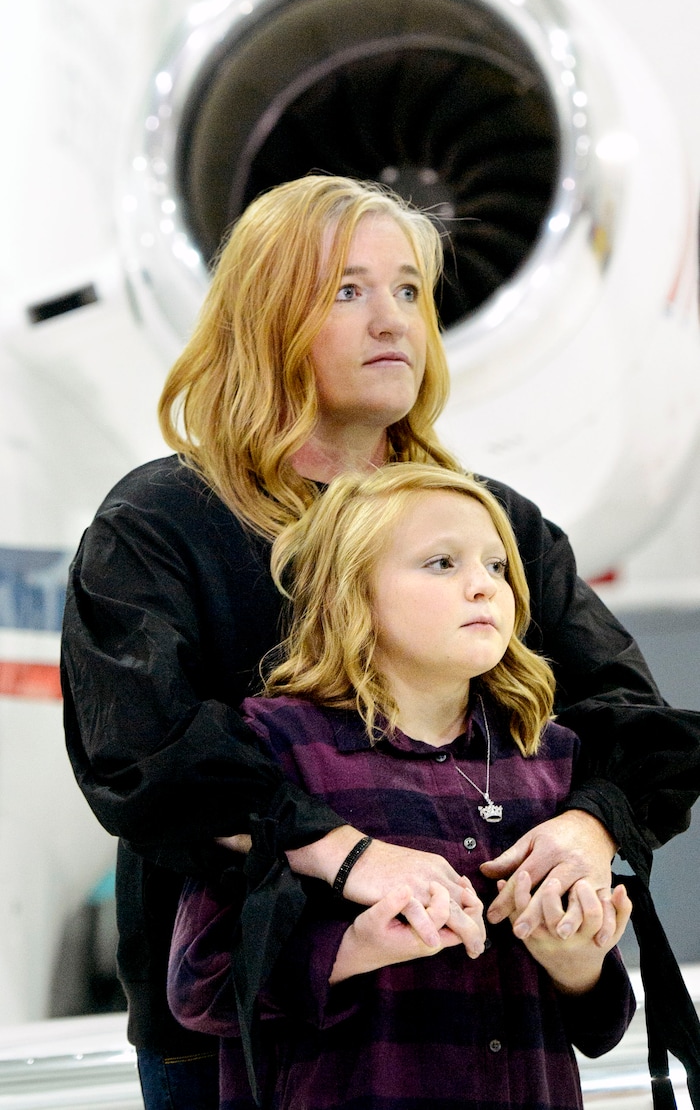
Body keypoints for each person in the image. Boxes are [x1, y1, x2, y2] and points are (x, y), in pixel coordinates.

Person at [60, 174, 699, 1110]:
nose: (394, 319)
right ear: (267, 316)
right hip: (237, 1033)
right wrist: (355, 856)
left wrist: (588, 823)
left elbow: (633, 721)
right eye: (348, 291)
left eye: (408, 290)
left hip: (484, 1024)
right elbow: (145, 755)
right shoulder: (161, 524)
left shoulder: (492, 523)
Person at [167, 463, 636, 1110]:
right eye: (442, 563)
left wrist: (576, 961)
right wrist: (355, 947)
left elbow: (602, 1025)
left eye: (497, 567)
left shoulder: (549, 758)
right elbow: (202, 983)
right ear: (351, 592)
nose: (482, 587)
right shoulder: (272, 751)